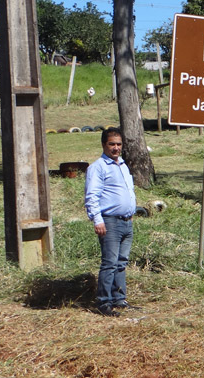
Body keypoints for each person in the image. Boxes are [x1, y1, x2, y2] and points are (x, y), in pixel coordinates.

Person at [85, 127, 139, 316]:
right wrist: (97, 220)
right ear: (103, 145)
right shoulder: (98, 167)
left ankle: (119, 299)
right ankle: (104, 302)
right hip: (110, 222)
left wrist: (130, 211)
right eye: (112, 144)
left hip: (126, 222)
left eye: (118, 144)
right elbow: (92, 196)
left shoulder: (123, 165)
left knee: (121, 262)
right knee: (109, 262)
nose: (116, 148)